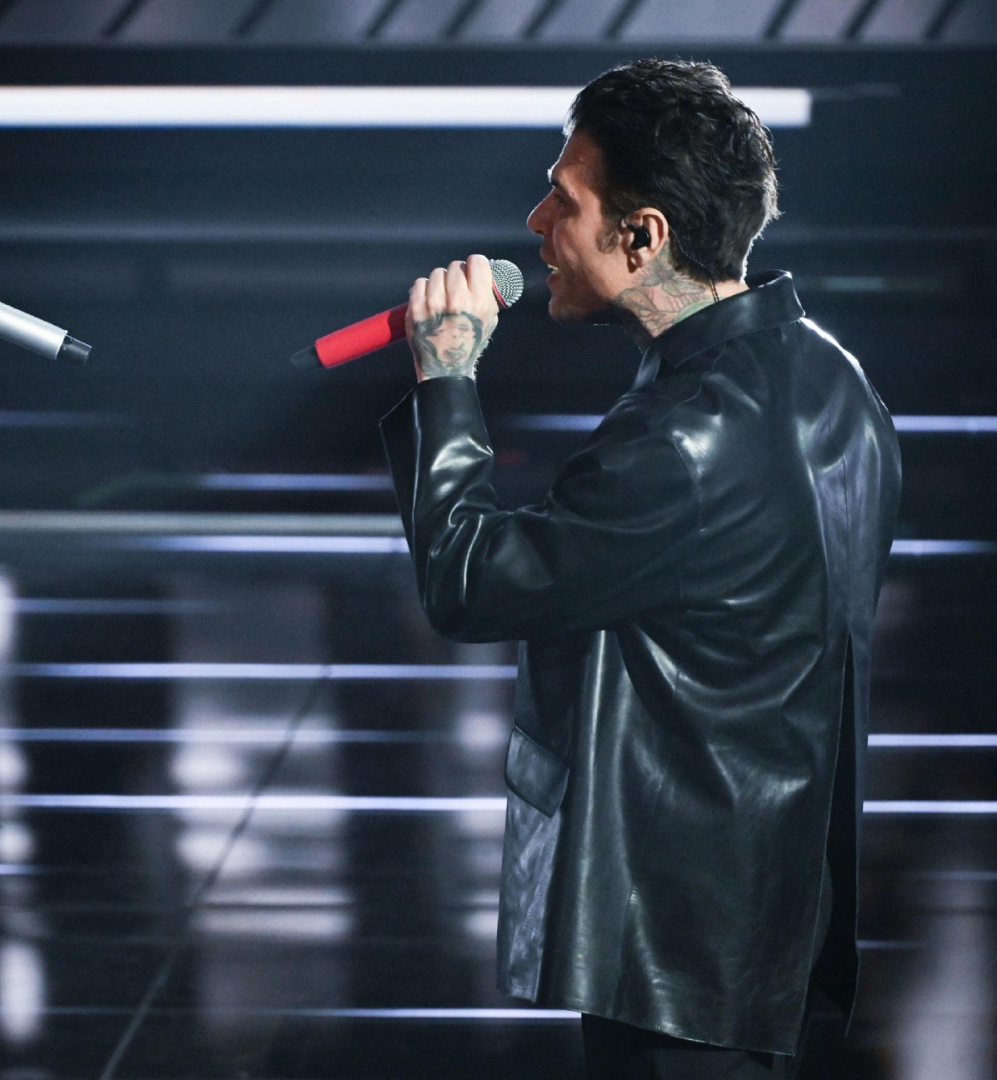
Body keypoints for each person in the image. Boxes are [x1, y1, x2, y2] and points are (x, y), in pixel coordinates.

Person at [381, 59, 900, 1077]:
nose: (535, 223)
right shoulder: (831, 376)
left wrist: (446, 379)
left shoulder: (683, 441)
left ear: (642, 235)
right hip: (771, 909)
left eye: (563, 200)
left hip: (677, 938)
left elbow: (471, 581)